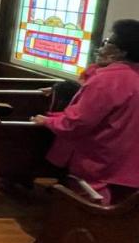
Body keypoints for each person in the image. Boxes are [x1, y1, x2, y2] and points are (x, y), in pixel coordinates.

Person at [31, 19, 139, 205]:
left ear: (120, 51)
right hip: (129, 167)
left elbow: (76, 123)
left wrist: (47, 122)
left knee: (87, 216)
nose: (103, 46)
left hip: (102, 165)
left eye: (108, 42)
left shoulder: (107, 80)